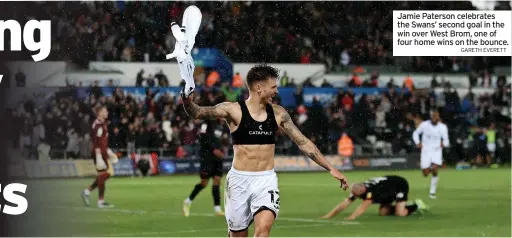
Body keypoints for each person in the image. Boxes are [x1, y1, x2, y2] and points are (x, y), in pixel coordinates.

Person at [180, 64, 349, 237]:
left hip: (266, 181)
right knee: (238, 234)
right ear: (259, 87)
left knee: (263, 232)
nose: (276, 91)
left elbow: (303, 142)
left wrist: (330, 167)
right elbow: (198, 112)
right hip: (239, 181)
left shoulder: (278, 113)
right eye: (273, 87)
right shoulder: (233, 110)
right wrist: (187, 101)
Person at [321, 176, 428, 220]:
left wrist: (351, 217)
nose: (354, 197)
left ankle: (416, 205)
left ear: (360, 193)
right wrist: (328, 216)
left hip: (399, 185)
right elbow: (345, 203)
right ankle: (401, 206)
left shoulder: (370, 191)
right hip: (387, 192)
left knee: (401, 214)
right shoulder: (359, 188)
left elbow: (363, 207)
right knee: (383, 213)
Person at [183, 119, 227, 217]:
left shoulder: (222, 125)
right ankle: (188, 201)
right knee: (204, 182)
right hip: (207, 158)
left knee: (217, 181)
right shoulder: (207, 123)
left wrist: (223, 146)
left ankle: (217, 209)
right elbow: (202, 137)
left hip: (218, 158)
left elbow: (221, 139)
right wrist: (213, 149)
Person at [81, 106, 115, 208]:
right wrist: (98, 155)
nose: (107, 112)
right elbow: (95, 141)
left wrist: (108, 151)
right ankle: (98, 199)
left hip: (102, 152)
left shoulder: (102, 123)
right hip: (98, 153)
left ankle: (89, 193)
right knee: (107, 173)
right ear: (100, 113)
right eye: (105, 111)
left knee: (104, 175)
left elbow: (102, 141)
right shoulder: (98, 125)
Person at [412, 110, 449, 199]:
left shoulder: (443, 127)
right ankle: (433, 172)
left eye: (436, 117)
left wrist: (444, 144)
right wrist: (417, 142)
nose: (435, 119)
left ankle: (432, 192)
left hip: (436, 150)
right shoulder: (424, 125)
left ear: (438, 117)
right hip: (426, 150)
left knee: (435, 168)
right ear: (431, 117)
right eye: (433, 117)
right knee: (425, 173)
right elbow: (415, 133)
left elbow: (446, 139)